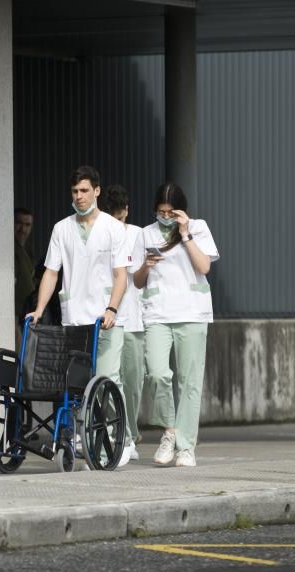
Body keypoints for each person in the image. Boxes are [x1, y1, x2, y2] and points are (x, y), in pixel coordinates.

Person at [29, 165, 132, 466]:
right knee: (74, 384)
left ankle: (117, 438)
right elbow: (51, 272)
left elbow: (121, 275)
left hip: (106, 318)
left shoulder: (114, 228)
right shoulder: (62, 228)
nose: (80, 196)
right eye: (75, 191)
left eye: (85, 190)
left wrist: (112, 307)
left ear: (97, 191)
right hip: (74, 318)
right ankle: (79, 436)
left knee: (108, 378)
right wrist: (38, 309)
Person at [131, 183, 219, 467]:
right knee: (157, 373)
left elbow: (204, 266)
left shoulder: (199, 227)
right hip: (158, 313)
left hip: (193, 313)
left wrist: (185, 234)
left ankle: (186, 447)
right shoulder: (145, 234)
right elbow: (137, 280)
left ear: (182, 211)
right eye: (161, 212)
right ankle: (170, 430)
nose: (165, 216)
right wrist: (146, 265)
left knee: (190, 382)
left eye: (171, 212)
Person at [98, 184, 142, 462]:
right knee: (111, 380)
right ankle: (122, 434)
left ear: (126, 212)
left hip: (135, 318)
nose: (118, 222)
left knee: (134, 383)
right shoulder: (101, 232)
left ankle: (131, 434)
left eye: (121, 217)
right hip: (111, 317)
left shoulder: (138, 235)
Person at [14, 207, 36, 325]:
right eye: (19, 223)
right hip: (13, 314)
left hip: (27, 314)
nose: (23, 229)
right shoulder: (9, 248)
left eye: (27, 225)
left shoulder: (27, 251)